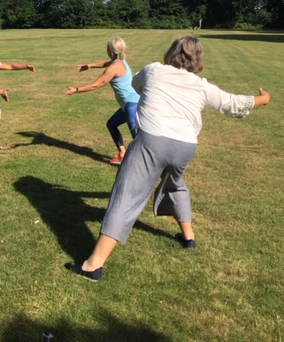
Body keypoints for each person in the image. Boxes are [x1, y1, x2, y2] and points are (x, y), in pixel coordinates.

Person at [65, 36, 271, 281]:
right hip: (185, 146)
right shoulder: (201, 85)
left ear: (171, 52)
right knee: (174, 184)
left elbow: (136, 84)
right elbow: (234, 104)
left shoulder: (154, 70)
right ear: (198, 59)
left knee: (126, 195)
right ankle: (189, 238)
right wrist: (264, 99)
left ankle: (92, 266)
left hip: (152, 140)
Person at [66, 36, 139, 165]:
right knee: (111, 124)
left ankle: (150, 167)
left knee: (139, 139)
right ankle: (122, 154)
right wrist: (88, 66)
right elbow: (103, 63)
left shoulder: (114, 67)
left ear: (110, 51)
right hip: (130, 104)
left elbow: (96, 84)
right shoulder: (119, 61)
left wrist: (77, 90)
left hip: (131, 105)